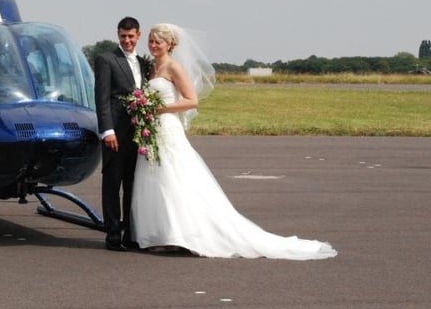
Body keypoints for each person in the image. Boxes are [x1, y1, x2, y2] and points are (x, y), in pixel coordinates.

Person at [130, 23, 337, 260]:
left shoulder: (173, 67)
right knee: (155, 178)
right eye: (151, 41)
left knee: (172, 176)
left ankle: (179, 234)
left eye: (158, 41)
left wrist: (159, 109)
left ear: (170, 44)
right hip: (151, 130)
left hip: (167, 127)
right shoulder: (150, 68)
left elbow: (191, 100)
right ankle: (159, 233)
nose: (153, 45)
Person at [94, 16, 150, 252]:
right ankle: (113, 235)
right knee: (112, 183)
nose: (127, 40)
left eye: (131, 36)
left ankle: (130, 233)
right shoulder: (106, 59)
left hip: (137, 133)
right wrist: (107, 130)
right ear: (118, 35)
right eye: (123, 36)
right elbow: (102, 98)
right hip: (115, 132)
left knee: (132, 185)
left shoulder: (144, 63)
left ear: (138, 35)